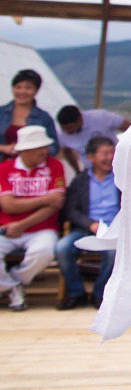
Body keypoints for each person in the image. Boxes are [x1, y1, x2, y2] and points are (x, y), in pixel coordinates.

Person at [0, 125, 66, 310]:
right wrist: (45, 199)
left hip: (42, 229)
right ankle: (13, 288)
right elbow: (8, 205)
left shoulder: (55, 165)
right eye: (39, 147)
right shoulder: (4, 169)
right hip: (7, 229)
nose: (45, 151)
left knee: (45, 251)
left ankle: (13, 284)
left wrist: (21, 224)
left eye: (45, 146)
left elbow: (56, 204)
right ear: (24, 151)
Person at [55, 136, 120, 309]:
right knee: (62, 248)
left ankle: (100, 294)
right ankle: (76, 293)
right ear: (91, 157)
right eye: (105, 153)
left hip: (114, 230)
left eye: (112, 152)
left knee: (113, 252)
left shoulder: (121, 178)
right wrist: (90, 224)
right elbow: (70, 210)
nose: (110, 157)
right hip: (85, 228)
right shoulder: (80, 180)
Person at [0, 69, 59, 162]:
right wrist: (3, 148)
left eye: (28, 88)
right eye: (18, 87)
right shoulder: (1, 113)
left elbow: (54, 147)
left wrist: (33, 151)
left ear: (36, 90)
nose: (22, 91)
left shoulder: (44, 117)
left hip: (32, 168)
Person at [56, 105, 131, 173]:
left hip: (118, 164)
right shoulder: (62, 135)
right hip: (91, 170)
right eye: (63, 129)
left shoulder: (101, 117)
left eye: (69, 128)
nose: (66, 131)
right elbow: (67, 152)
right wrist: (77, 171)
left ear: (79, 120)